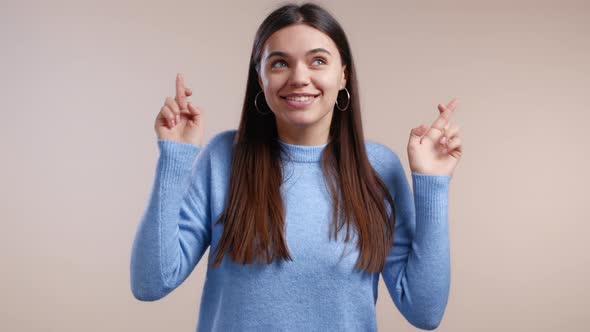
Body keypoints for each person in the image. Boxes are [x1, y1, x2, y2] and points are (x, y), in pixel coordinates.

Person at [130, 2, 463, 331]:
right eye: (279, 64)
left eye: (318, 60)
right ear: (260, 77)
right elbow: (151, 282)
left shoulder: (377, 168)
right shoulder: (222, 158)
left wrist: (432, 183)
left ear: (343, 74)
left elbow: (425, 310)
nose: (299, 78)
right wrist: (174, 155)